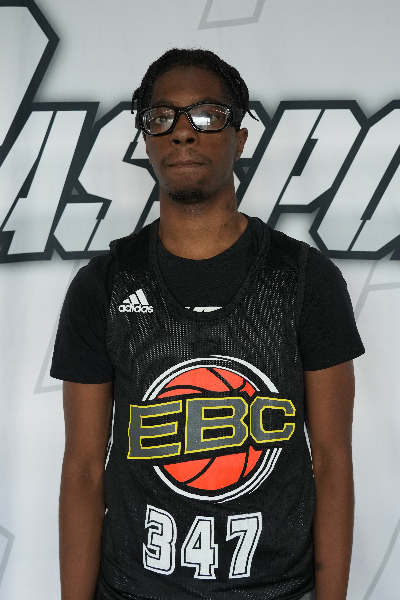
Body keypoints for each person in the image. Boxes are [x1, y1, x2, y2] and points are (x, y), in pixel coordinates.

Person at [51, 48, 364, 600]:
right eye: (162, 116)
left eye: (205, 115)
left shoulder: (305, 279)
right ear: (146, 139)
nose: (182, 132)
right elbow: (82, 470)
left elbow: (333, 461)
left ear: (240, 138)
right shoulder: (102, 286)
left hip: (277, 589)